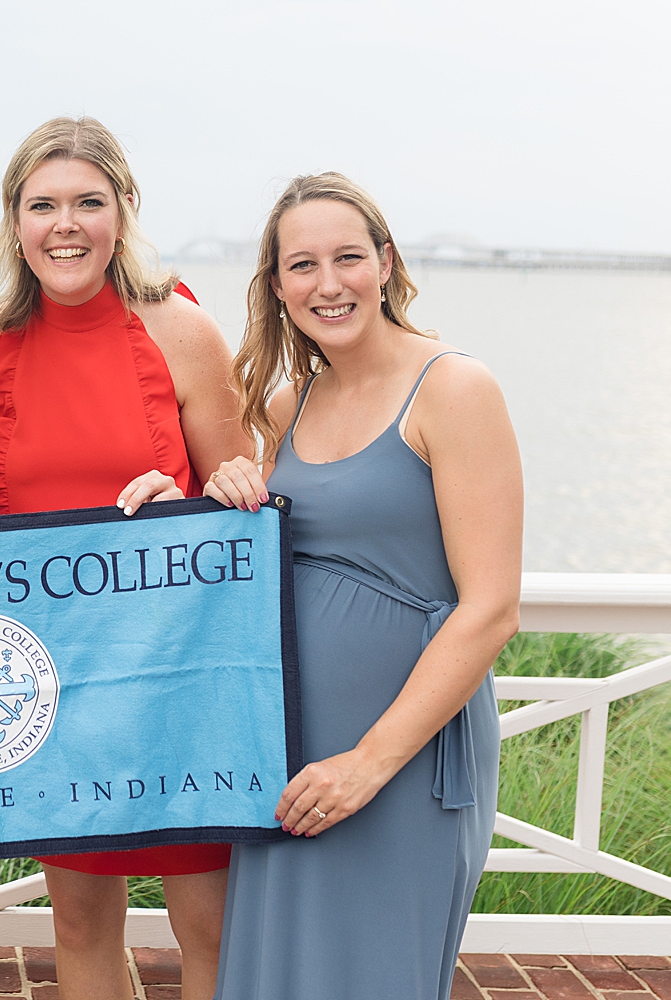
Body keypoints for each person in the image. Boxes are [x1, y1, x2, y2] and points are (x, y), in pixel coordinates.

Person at [0, 117, 248, 1000]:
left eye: (89, 201)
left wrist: (193, 504)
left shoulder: (183, 330)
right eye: (43, 205)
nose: (66, 224)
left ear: (124, 212)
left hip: (177, 681)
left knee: (209, 923)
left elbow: (243, 500)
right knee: (78, 922)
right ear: (15, 222)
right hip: (49, 686)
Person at [206, 173, 521, 1000]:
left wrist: (367, 765)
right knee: (281, 974)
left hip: (400, 758)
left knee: (376, 974)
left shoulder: (454, 389)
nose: (329, 282)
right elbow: (264, 565)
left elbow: (490, 609)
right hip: (288, 752)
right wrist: (222, 497)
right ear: (277, 286)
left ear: (386, 263)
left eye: (348, 257)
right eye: (302, 264)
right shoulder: (285, 405)